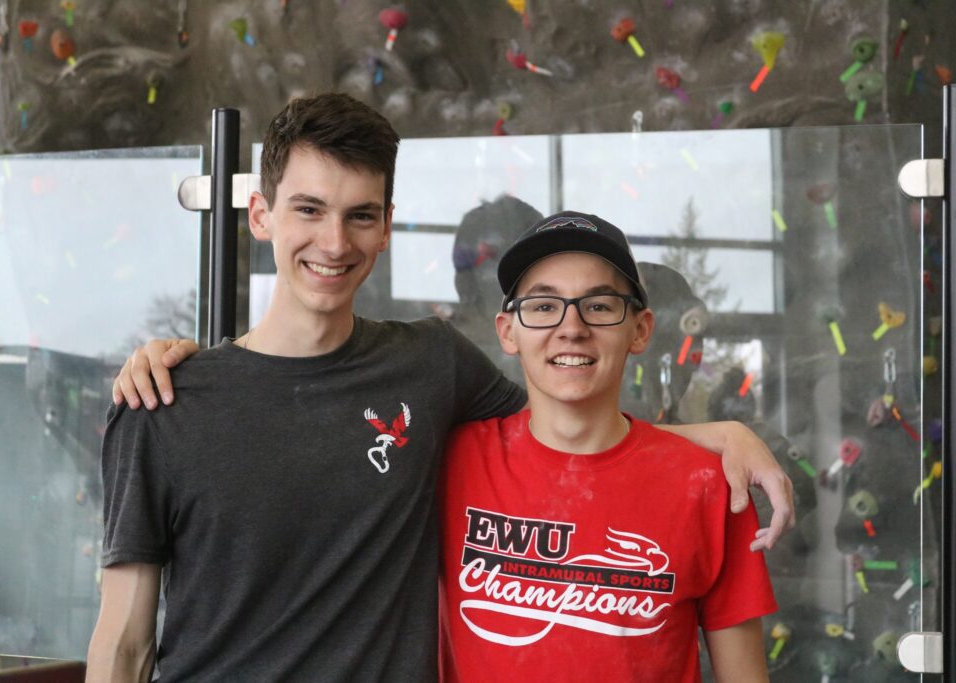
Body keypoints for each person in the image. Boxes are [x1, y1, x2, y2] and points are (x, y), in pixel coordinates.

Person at [91, 93, 793, 681]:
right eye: (308, 209)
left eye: (361, 215)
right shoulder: (163, 403)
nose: (334, 242)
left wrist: (718, 434)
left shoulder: (430, 367)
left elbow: (573, 423)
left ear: (387, 227)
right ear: (260, 214)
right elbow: (124, 644)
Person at [439, 211, 777, 682]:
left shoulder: (712, 486)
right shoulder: (446, 463)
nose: (571, 327)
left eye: (598, 306)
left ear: (640, 330)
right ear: (507, 331)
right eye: (542, 306)